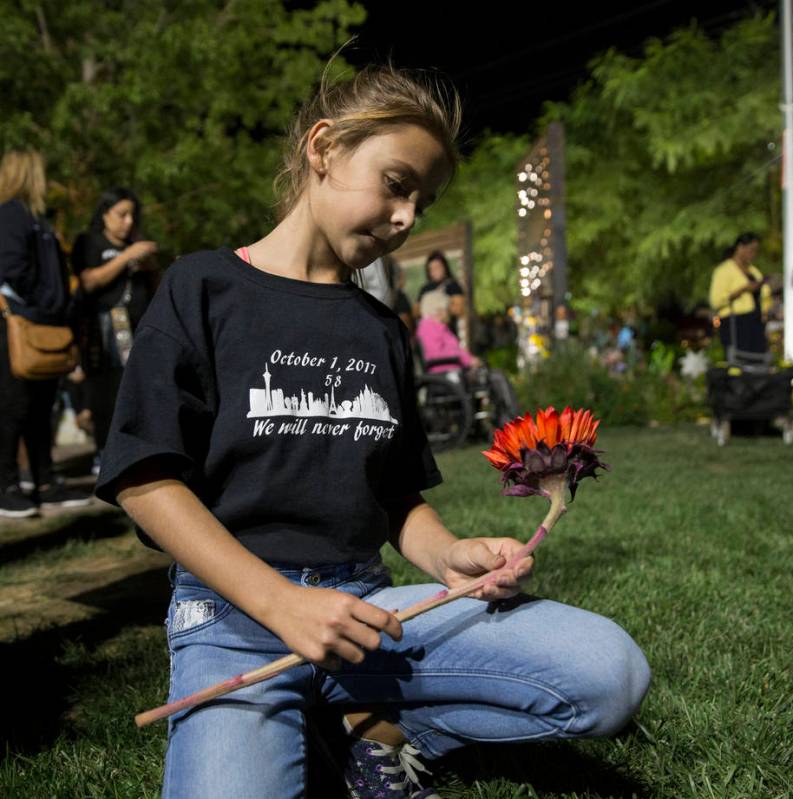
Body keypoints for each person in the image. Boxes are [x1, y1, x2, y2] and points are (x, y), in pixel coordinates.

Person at [94, 64, 650, 799]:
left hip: (369, 616)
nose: (406, 217)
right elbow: (144, 479)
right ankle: (336, 722)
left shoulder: (381, 329)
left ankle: (373, 726)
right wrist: (279, 603)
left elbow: (393, 496)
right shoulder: (201, 287)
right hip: (233, 621)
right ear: (323, 147)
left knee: (609, 676)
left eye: (421, 201)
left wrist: (450, 553)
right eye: (395, 183)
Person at [0, 150, 90, 517]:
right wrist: (46, 302)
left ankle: (44, 480)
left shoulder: (37, 219)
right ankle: (6, 485)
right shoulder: (10, 214)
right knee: (13, 405)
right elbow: (12, 268)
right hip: (19, 324)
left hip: (44, 322)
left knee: (41, 407)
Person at [71, 188, 158, 474]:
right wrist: (126, 257)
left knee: (138, 389)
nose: (129, 222)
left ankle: (135, 450)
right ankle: (104, 452)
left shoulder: (136, 241)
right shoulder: (90, 242)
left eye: (132, 215)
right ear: (105, 213)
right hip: (104, 331)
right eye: (122, 215)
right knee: (106, 392)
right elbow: (89, 282)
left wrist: (148, 263)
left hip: (139, 328)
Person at [709, 232, 772, 356]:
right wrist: (743, 290)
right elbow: (716, 301)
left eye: (756, 251)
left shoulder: (754, 271)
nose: (753, 254)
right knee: (740, 360)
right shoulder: (724, 271)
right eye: (751, 250)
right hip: (735, 323)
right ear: (740, 247)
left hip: (755, 322)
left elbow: (765, 295)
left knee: (758, 358)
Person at [415, 289, 481, 373]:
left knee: (494, 377)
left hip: (454, 369)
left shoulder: (439, 327)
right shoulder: (427, 327)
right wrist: (465, 359)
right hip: (444, 372)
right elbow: (435, 354)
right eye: (446, 309)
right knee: (495, 378)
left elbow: (453, 350)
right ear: (439, 310)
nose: (448, 312)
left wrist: (469, 358)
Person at [416, 249, 464, 336]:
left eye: (437, 267)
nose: (434, 271)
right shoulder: (425, 288)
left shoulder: (453, 285)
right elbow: (416, 311)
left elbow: (460, 309)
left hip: (447, 334)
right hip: (429, 335)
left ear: (444, 267)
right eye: (431, 269)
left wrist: (445, 310)